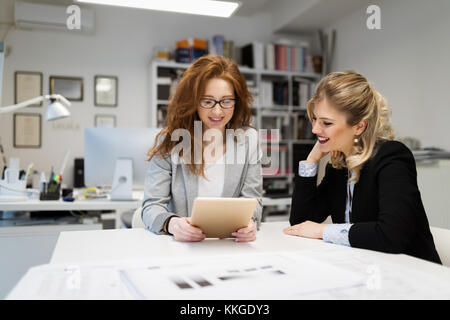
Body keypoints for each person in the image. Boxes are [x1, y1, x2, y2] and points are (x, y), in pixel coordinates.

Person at [284, 70, 441, 264]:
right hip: (368, 270)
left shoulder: (392, 157)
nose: (315, 129)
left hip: (415, 276)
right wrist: (311, 160)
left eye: (326, 122)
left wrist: (323, 230)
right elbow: (301, 222)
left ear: (359, 126)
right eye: (315, 119)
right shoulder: (338, 166)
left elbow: (391, 236)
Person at [142, 55, 262, 242]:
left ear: (237, 101)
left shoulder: (248, 140)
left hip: (229, 247)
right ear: (192, 101)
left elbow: (254, 202)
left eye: (226, 101)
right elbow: (151, 206)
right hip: (181, 248)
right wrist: (172, 224)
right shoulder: (171, 140)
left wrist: (251, 223)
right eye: (207, 101)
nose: (217, 112)